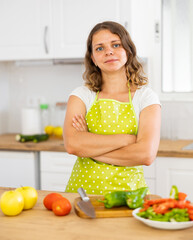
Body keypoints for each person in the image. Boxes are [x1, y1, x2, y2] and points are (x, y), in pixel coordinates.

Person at [63, 21, 161, 195]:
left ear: (128, 51)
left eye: (115, 45)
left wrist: (89, 148)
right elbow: (72, 144)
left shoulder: (146, 97)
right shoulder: (81, 95)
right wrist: (128, 139)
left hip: (130, 197)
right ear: (93, 58)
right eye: (99, 48)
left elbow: (146, 154)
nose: (108, 51)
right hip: (82, 196)